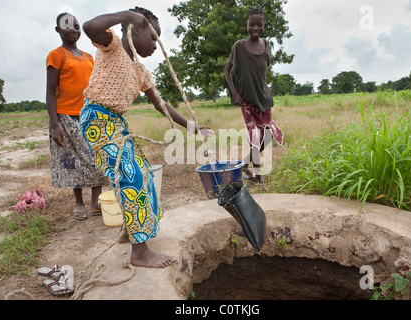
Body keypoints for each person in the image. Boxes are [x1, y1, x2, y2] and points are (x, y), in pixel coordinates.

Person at [80, 7, 209, 268]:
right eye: (152, 37)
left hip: (115, 123)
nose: (154, 44)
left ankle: (131, 231)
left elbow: (161, 104)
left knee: (144, 173)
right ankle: (139, 253)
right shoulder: (112, 45)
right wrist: (126, 15)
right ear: (135, 30)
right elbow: (90, 26)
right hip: (96, 120)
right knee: (131, 176)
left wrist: (190, 126)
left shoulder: (140, 71)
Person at [46, 13, 109, 221]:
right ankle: (79, 202)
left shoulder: (89, 57)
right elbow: (50, 91)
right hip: (65, 116)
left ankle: (95, 202)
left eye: (76, 26)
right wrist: (55, 125)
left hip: (89, 114)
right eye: (66, 26)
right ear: (58, 30)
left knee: (96, 157)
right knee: (73, 160)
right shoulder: (56, 55)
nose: (73, 29)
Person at [224, 6, 283, 183]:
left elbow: (262, 71)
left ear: (264, 25)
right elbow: (227, 71)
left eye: (260, 24)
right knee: (255, 140)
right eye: (252, 24)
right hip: (247, 101)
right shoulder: (239, 46)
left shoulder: (266, 45)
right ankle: (257, 176)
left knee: (269, 134)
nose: (255, 28)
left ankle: (244, 163)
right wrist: (234, 93)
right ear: (246, 25)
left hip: (264, 99)